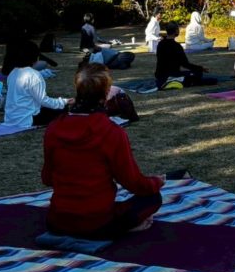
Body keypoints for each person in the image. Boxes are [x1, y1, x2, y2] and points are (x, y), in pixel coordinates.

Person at [42, 64, 163, 238]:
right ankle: (124, 228)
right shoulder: (111, 132)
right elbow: (132, 182)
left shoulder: (54, 129)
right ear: (106, 93)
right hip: (96, 224)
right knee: (152, 198)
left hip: (57, 222)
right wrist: (156, 182)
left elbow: (47, 178)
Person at [4, 40, 71, 129]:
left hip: (10, 119)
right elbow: (43, 100)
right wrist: (64, 101)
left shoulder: (12, 73)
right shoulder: (34, 75)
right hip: (27, 119)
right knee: (64, 109)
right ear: (36, 57)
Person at [154, 22, 216, 88]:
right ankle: (174, 80)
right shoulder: (176, 46)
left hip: (160, 75)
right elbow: (185, 64)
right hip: (172, 74)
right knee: (198, 73)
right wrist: (200, 68)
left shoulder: (160, 44)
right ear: (176, 31)